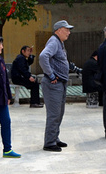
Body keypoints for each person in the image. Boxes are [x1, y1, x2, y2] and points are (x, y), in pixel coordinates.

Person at [39, 19, 74, 152]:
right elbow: (43, 56)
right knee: (54, 114)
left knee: (59, 113)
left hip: (60, 83)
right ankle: (49, 142)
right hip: (54, 84)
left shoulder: (59, 42)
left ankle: (54, 138)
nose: (69, 32)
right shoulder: (54, 41)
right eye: (66, 29)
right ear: (58, 30)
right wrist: (51, 74)